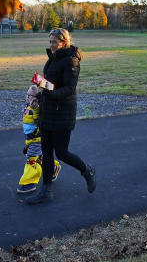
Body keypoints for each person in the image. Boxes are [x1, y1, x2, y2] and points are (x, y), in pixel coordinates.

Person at [25, 28, 96, 204]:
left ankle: (87, 170)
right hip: (48, 111)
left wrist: (49, 92)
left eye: (54, 42)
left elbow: (69, 89)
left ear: (64, 42)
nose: (51, 45)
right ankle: (46, 191)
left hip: (62, 113)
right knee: (47, 153)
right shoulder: (53, 58)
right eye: (50, 42)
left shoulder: (71, 60)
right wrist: (40, 94)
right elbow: (52, 85)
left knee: (62, 153)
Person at [17, 84, 60, 194]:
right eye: (27, 95)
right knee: (39, 157)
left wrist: (36, 107)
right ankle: (53, 168)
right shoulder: (28, 106)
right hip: (30, 138)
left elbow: (40, 119)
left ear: (36, 98)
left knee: (32, 159)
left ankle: (28, 183)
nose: (27, 97)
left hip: (37, 138)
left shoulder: (37, 107)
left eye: (30, 96)